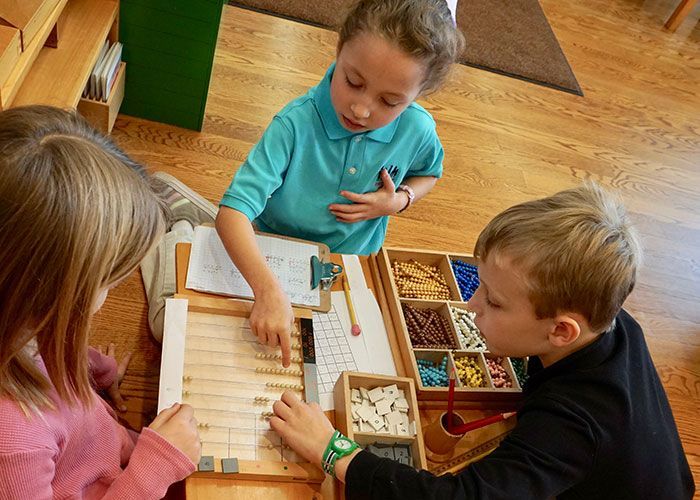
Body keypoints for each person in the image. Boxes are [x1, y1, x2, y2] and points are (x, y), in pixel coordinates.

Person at [268, 183, 696, 499]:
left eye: (493, 301)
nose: (470, 306)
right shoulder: (616, 325)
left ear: (561, 330)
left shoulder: (568, 428)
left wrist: (333, 450)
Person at [215, 0, 465, 367]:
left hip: (353, 263)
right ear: (339, 48)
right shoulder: (295, 124)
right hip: (275, 251)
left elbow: (429, 173)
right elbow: (233, 211)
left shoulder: (418, 128)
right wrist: (267, 289)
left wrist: (398, 201)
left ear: (418, 95)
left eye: (390, 101)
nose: (361, 110)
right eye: (353, 82)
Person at [0, 106, 201, 499]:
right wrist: (150, 470)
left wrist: (92, 368)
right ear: (52, 292)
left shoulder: (20, 319)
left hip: (108, 450)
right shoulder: (14, 445)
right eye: (110, 280)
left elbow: (36, 351)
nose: (111, 292)